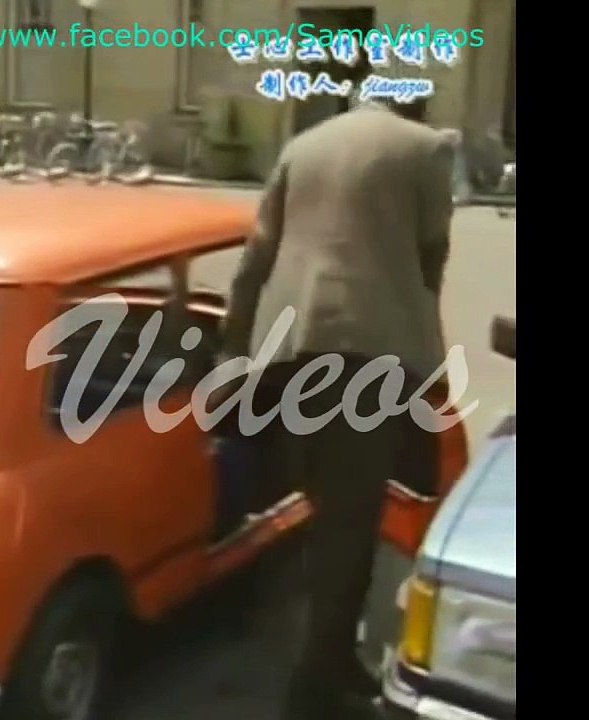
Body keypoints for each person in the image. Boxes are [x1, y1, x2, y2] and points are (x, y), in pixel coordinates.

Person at [216, 97, 455, 720]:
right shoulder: (427, 150)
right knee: (350, 521)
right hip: (364, 354)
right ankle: (313, 686)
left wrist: (234, 351)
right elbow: (431, 261)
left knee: (305, 503)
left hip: (288, 346)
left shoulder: (304, 145)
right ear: (415, 106)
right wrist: (425, 356)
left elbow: (256, 255)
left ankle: (328, 650)